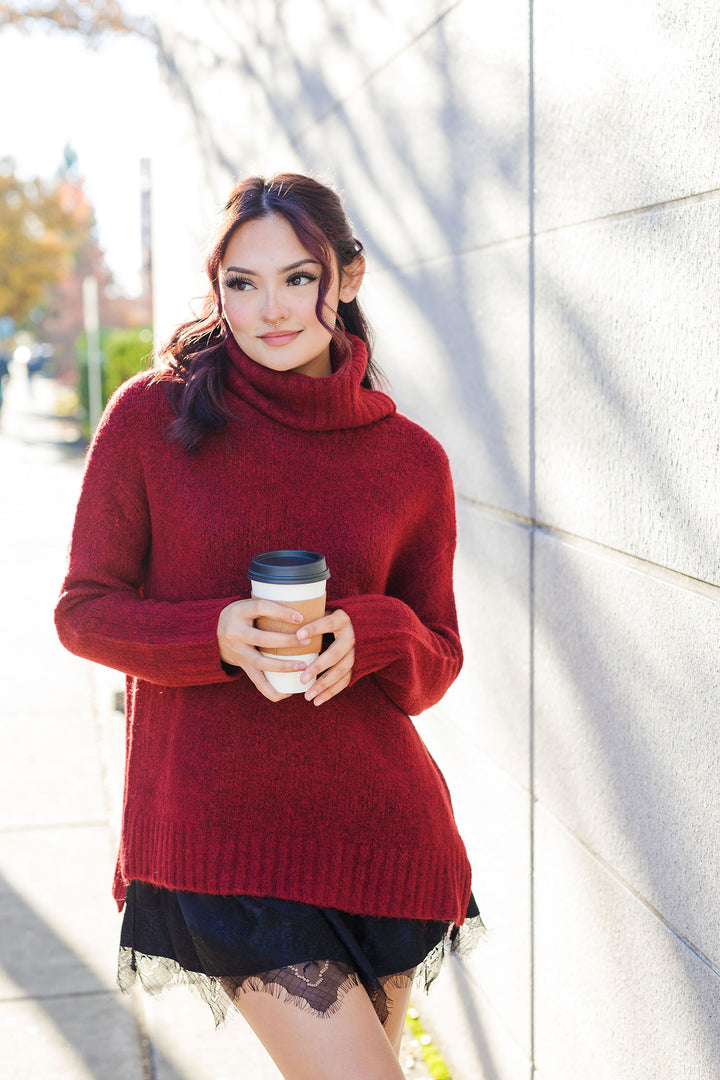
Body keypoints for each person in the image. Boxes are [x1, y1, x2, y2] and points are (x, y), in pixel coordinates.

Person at [55, 173, 482, 1080]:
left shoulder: (411, 459)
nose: (270, 308)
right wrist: (214, 635)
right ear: (216, 289)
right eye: (241, 283)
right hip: (224, 834)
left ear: (350, 277)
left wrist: (370, 632)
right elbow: (84, 612)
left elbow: (436, 661)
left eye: (299, 277)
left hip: (382, 833)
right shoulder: (153, 419)